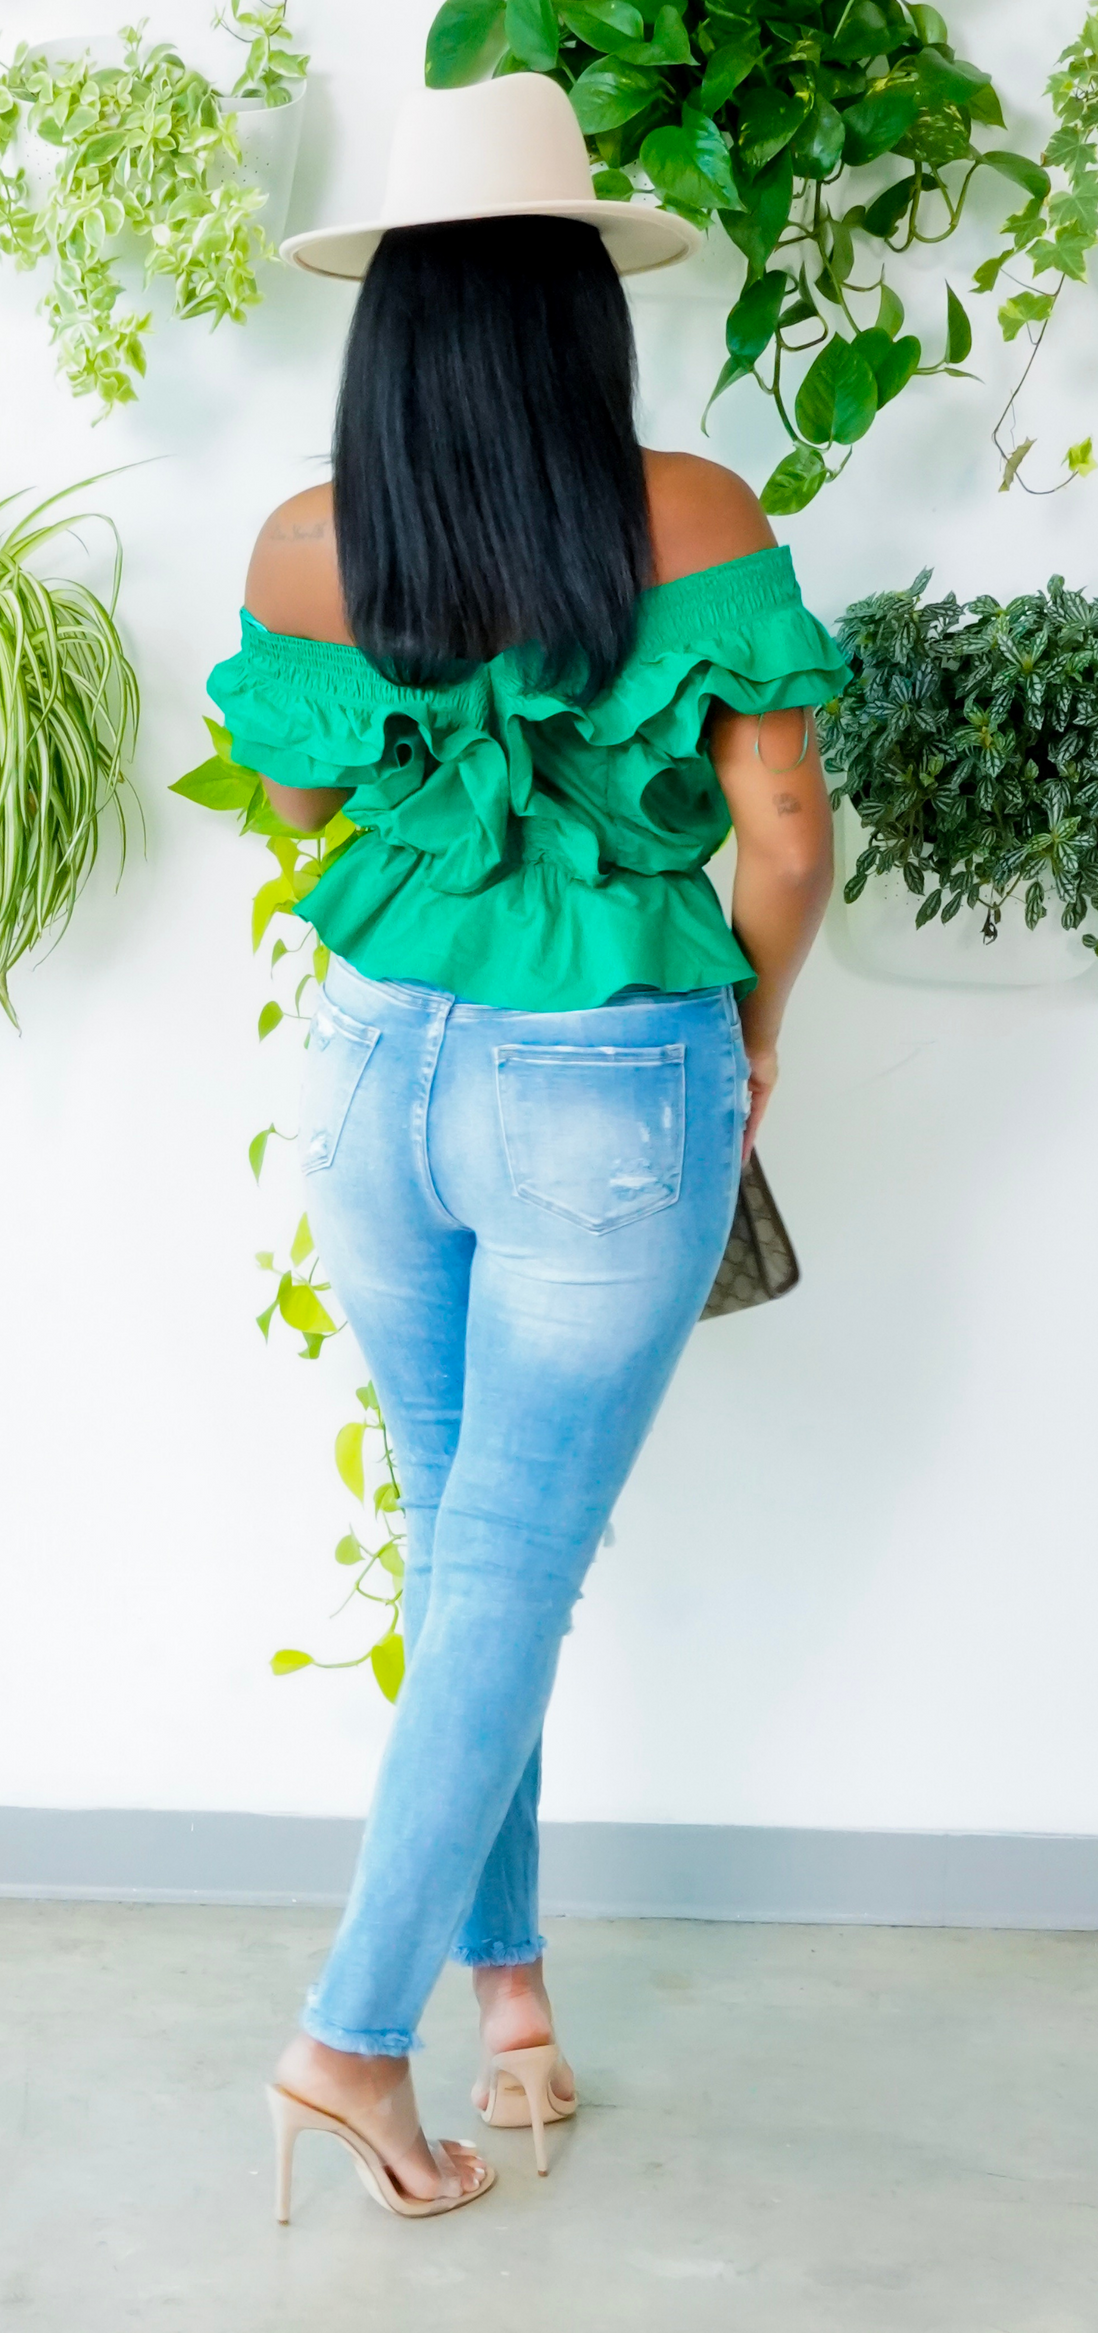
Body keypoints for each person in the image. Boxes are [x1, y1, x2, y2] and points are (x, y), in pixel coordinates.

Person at [208, 72, 848, 2223]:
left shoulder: (305, 549)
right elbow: (777, 828)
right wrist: (745, 1031)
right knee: (498, 1566)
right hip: (608, 1083)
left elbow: (318, 818)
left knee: (457, 1542)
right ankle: (351, 2034)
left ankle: (514, 2010)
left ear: (388, 324)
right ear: (583, 314)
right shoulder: (696, 514)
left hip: (379, 1082)